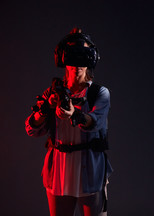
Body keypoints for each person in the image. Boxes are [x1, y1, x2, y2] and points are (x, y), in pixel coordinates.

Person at [25, 28, 112, 216]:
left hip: (89, 167)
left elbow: (95, 122)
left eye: (84, 55)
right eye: (73, 55)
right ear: (64, 59)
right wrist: (47, 108)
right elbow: (32, 129)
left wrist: (75, 114)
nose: (78, 63)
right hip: (59, 169)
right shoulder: (52, 93)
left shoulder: (99, 93)